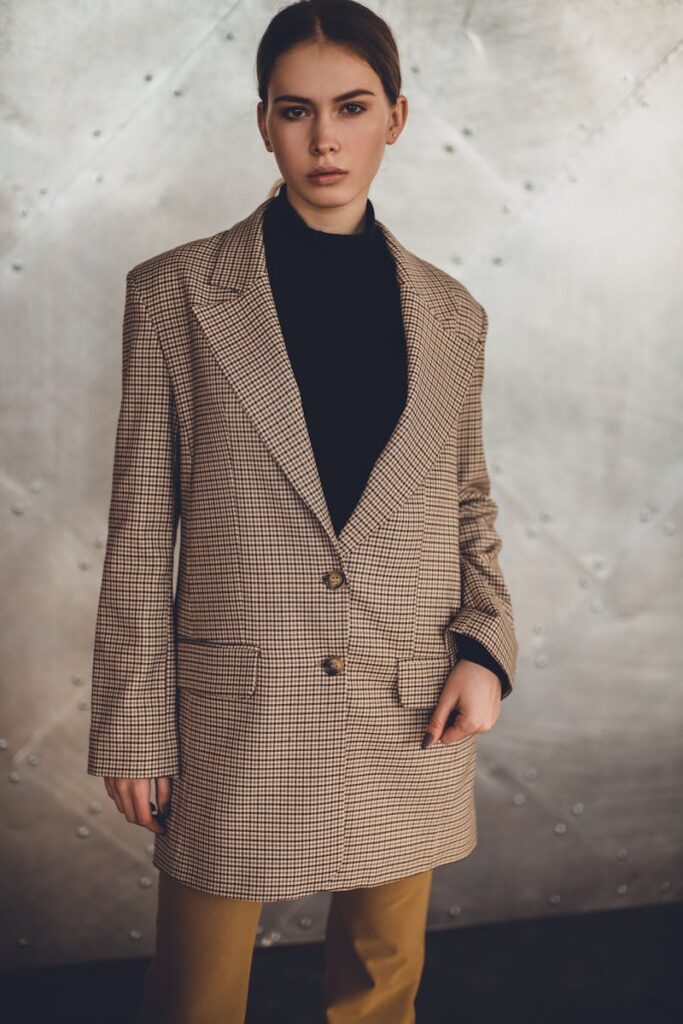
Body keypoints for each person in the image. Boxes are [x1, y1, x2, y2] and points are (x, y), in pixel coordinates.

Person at [87, 2, 519, 1021]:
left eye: (351, 107)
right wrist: (133, 722)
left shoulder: (453, 314)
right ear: (262, 122)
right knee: (194, 997)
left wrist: (486, 647)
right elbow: (142, 526)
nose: (324, 138)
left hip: (408, 702)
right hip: (237, 712)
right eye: (296, 110)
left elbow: (468, 500)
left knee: (379, 989)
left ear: (396, 117)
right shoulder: (177, 294)